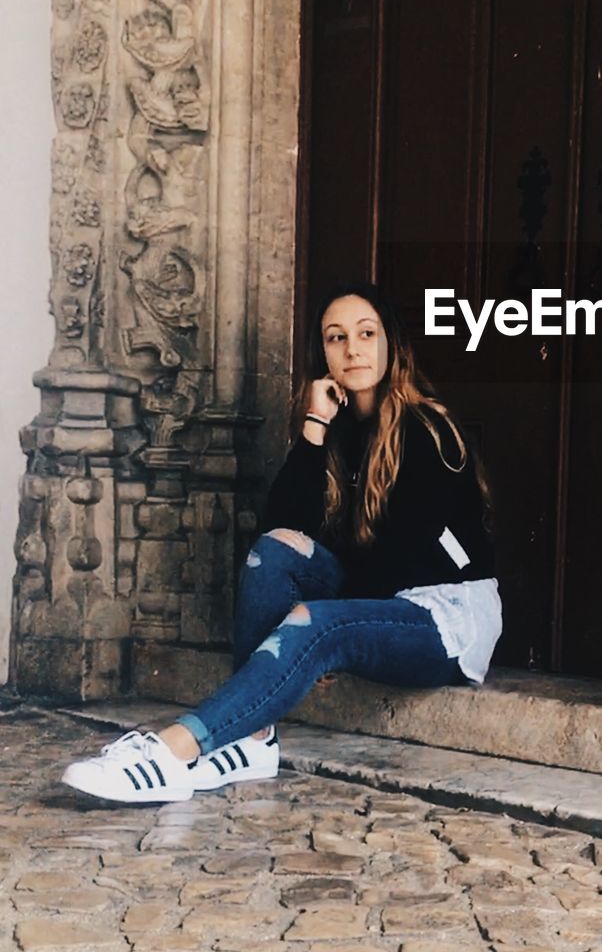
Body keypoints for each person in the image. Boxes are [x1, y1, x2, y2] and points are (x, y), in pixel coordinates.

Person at [61, 281, 500, 803]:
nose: (353, 349)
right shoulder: (340, 429)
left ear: (391, 344)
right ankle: (252, 739)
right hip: (378, 598)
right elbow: (283, 527)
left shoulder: (426, 428)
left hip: (444, 616)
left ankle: (175, 747)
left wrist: (317, 630)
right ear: (323, 354)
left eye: (366, 333)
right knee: (272, 552)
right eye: (336, 338)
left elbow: (404, 559)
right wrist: (315, 425)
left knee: (314, 623)